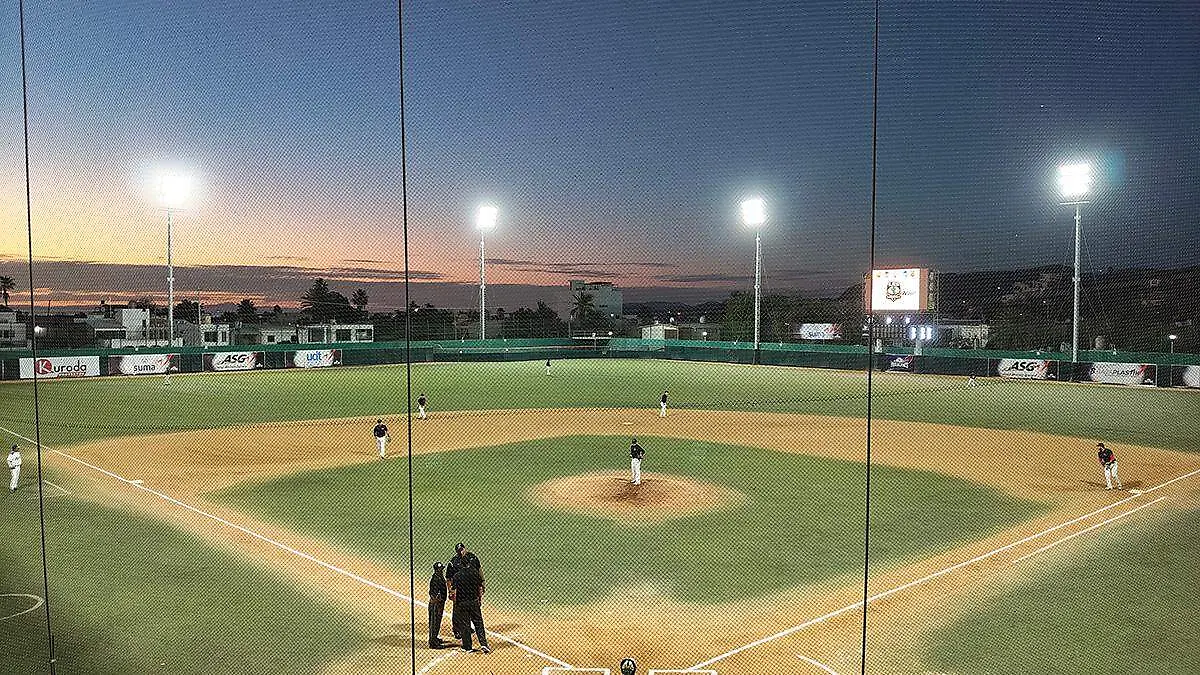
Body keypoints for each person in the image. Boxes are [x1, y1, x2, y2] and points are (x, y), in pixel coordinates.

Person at [451, 552, 490, 653]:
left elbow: (454, 593)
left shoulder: (457, 576)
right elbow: (479, 588)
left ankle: (467, 646)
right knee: (478, 623)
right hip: (473, 601)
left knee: (465, 625)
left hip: (462, 603)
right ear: (469, 563)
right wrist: (479, 600)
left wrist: (456, 603)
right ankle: (483, 644)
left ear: (461, 564)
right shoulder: (475, 573)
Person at [445, 543, 468, 639]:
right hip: (457, 589)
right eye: (459, 549)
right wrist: (450, 591)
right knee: (457, 610)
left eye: (462, 549)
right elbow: (448, 578)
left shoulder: (469, 559)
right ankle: (457, 629)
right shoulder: (452, 563)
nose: (461, 551)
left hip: (467, 588)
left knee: (467, 608)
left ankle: (466, 627)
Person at [428, 562, 448, 648]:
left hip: (439, 603)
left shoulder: (439, 577)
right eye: (441, 569)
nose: (442, 570)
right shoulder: (436, 579)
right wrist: (438, 604)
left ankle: (435, 638)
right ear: (437, 570)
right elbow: (434, 594)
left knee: (437, 622)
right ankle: (433, 643)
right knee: (434, 623)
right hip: (436, 604)